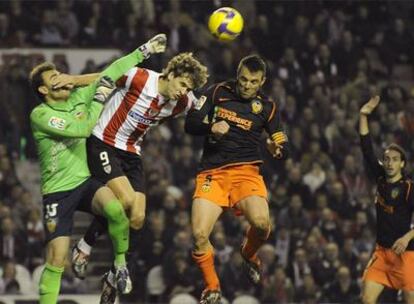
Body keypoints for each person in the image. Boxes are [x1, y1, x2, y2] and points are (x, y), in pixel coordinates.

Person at [30, 33, 167, 304]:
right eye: (53, 79)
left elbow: (112, 71)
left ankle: (119, 267)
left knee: (117, 210)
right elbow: (81, 130)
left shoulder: (79, 95)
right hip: (57, 193)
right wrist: (98, 100)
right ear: (44, 90)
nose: (61, 79)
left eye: (60, 73)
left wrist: (145, 50)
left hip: (84, 183)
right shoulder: (41, 115)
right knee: (57, 259)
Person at [70, 52, 209, 303]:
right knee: (124, 201)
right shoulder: (140, 77)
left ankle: (113, 275)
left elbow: (204, 108)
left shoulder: (184, 100)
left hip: (132, 153)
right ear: (171, 74)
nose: (183, 91)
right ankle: (85, 246)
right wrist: (69, 80)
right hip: (103, 143)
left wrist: (220, 124)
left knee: (138, 217)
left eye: (188, 88)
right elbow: (103, 77)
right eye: (182, 84)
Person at [184, 54, 289, 304]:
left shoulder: (268, 107)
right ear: (237, 74)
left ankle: (248, 253)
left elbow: (282, 142)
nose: (246, 85)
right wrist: (211, 127)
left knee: (262, 225)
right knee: (199, 235)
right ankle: (212, 288)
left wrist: (278, 150)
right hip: (213, 172)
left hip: (246, 173)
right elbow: (191, 123)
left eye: (253, 81)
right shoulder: (217, 91)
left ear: (262, 81)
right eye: (243, 79)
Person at [359, 96, 414, 304]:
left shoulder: (409, 189)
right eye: (387, 159)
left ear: (402, 164)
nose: (389, 163)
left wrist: (407, 237)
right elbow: (366, 148)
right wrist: (363, 115)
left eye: (395, 160)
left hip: (406, 255)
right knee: (366, 299)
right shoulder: (380, 178)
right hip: (382, 253)